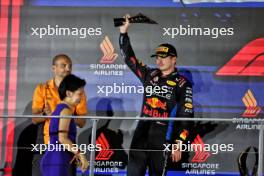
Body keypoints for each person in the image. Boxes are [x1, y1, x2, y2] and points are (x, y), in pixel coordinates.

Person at [119, 15, 194, 176]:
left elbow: (186, 117)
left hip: (162, 135)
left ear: (174, 59)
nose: (159, 61)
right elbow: (129, 59)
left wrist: (179, 143)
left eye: (163, 57)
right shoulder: (149, 74)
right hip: (142, 130)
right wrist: (123, 34)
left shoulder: (182, 83)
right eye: (157, 57)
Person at [31, 54, 87, 176]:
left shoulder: (65, 108)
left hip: (62, 153)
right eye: (63, 65)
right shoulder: (63, 108)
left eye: (70, 66)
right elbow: (62, 138)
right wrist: (80, 154)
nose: (68, 69)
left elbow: (82, 122)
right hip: (54, 152)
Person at [40, 74, 89, 176]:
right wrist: (80, 154)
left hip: (56, 159)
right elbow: (62, 138)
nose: (82, 97)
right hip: (56, 161)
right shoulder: (65, 111)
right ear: (68, 93)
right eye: (80, 94)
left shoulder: (60, 109)